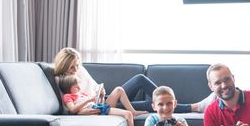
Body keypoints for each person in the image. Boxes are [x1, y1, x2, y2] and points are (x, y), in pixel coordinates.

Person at [53, 47, 216, 113]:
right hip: (99, 106)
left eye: (77, 65)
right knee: (149, 105)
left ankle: (190, 105)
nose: (76, 69)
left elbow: (92, 87)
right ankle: (196, 107)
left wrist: (100, 91)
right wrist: (93, 100)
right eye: (73, 67)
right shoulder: (60, 79)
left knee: (140, 78)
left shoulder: (78, 71)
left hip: (104, 98)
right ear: (64, 65)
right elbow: (71, 107)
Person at [59, 74, 145, 126]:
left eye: (79, 86)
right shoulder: (68, 96)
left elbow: (96, 102)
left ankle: (133, 111)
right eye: (76, 87)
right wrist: (89, 99)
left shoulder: (82, 94)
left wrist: (101, 96)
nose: (79, 88)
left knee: (119, 90)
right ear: (68, 88)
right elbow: (72, 109)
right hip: (96, 110)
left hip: (98, 106)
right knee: (127, 114)